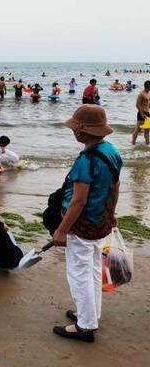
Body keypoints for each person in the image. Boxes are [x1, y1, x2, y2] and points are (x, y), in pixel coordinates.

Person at [52, 105, 122, 343]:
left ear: (83, 131)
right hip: (100, 222)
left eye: (76, 128)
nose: (73, 132)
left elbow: (78, 200)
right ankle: (91, 314)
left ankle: (85, 326)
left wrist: (61, 229)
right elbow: (115, 187)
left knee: (79, 273)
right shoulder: (112, 151)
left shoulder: (86, 160)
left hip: (82, 225)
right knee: (92, 269)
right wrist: (110, 214)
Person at [132, 80, 150, 146]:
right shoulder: (141, 94)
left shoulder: (148, 93)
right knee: (138, 129)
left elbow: (148, 104)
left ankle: (147, 144)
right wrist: (142, 114)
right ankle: (133, 143)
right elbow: (137, 104)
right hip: (141, 113)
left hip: (147, 113)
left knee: (147, 130)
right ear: (148, 86)